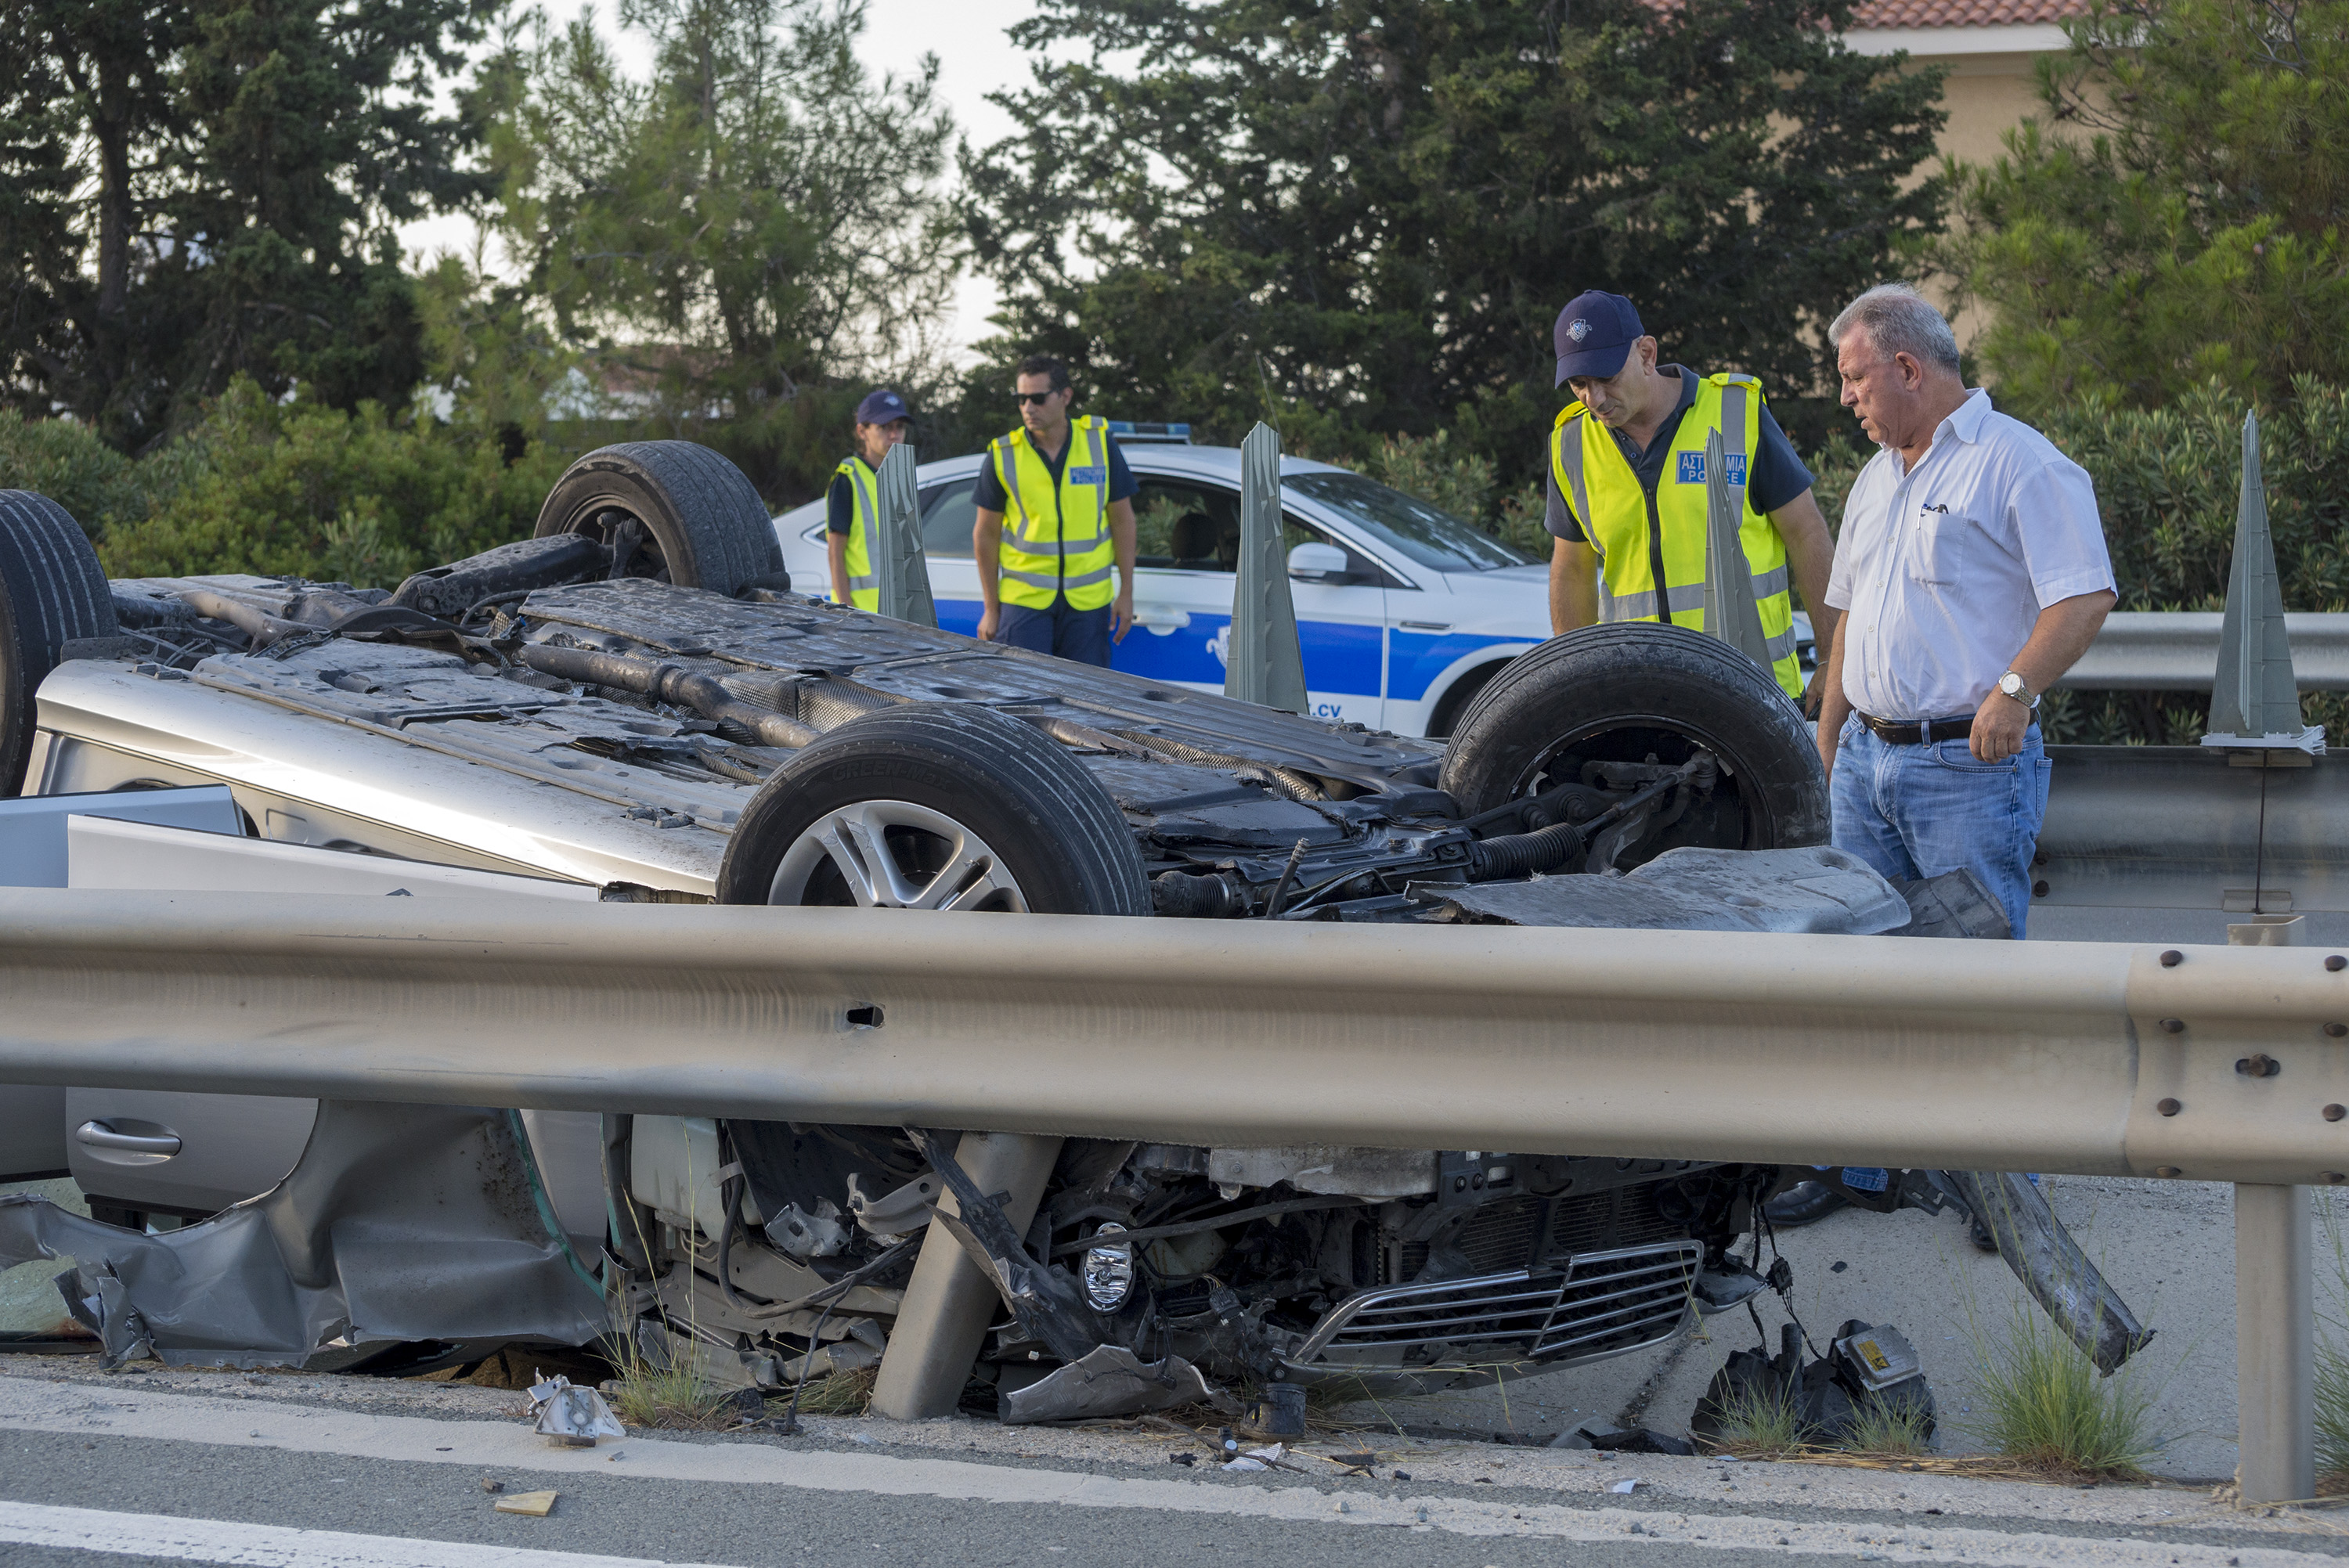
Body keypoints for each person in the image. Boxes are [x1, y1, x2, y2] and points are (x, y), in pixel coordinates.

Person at [1816, 283, 2115, 940]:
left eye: (1854, 377)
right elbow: (1850, 619)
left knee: (1972, 971)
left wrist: (2015, 691)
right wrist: (1830, 740)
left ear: (1908, 370)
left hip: (1964, 770)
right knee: (1858, 972)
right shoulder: (1876, 477)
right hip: (1864, 766)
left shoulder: (2020, 462)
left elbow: (2086, 595)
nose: (1845, 396)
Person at [1545, 290, 1838, 705]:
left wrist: (1829, 661)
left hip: (1755, 695)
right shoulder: (1571, 444)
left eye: (1606, 378)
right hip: (1639, 703)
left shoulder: (1737, 412)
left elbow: (1807, 533)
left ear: (1646, 354)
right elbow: (1571, 569)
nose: (1594, 400)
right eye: (1579, 384)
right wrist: (1577, 690)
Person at [971, 355, 1138, 665]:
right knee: (1023, 704)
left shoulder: (1100, 444)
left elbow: (1123, 520)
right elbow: (986, 533)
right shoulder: (1003, 455)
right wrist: (991, 607)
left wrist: (1126, 592)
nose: (1027, 408)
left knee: (1087, 703)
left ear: (1065, 396)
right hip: (1024, 603)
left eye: (1037, 398)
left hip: (1088, 605)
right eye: (1021, 399)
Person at [825, 388, 913, 611]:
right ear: (862, 431)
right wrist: (845, 611)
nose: (894, 435)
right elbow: (835, 551)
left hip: (898, 614)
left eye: (899, 427)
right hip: (861, 616)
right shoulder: (848, 478)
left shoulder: (901, 477)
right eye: (884, 427)